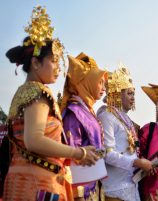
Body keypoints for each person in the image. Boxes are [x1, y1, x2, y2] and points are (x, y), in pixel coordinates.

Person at [3, 6, 98, 200]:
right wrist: (78, 152)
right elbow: (34, 140)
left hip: (25, 180)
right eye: (54, 61)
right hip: (38, 185)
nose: (58, 68)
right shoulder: (38, 92)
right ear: (36, 63)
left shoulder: (25, 91)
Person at [97, 66, 152, 201]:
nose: (133, 98)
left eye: (133, 93)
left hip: (131, 185)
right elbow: (107, 154)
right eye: (129, 93)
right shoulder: (107, 116)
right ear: (116, 93)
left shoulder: (124, 118)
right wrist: (136, 162)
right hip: (115, 189)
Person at [61, 52, 107, 200]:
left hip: (95, 185)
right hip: (82, 191)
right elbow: (72, 156)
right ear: (86, 82)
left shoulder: (87, 110)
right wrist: (77, 194)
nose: (104, 88)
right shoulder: (74, 112)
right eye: (100, 82)